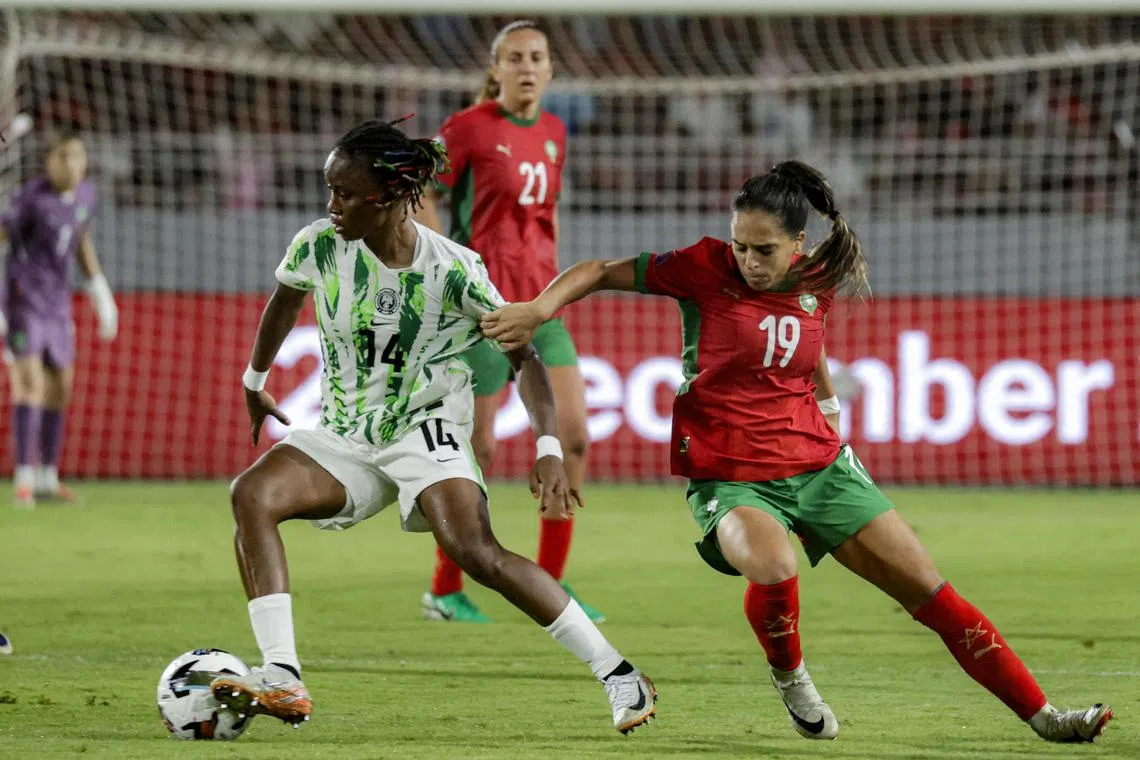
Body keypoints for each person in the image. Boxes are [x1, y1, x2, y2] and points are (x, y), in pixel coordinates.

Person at [480, 160, 1113, 744]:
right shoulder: (702, 268)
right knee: (775, 566)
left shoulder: (820, 279)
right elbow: (597, 270)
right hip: (731, 479)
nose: (749, 261)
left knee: (934, 594)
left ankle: (1047, 718)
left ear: (798, 246)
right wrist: (538, 309)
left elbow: (806, 356)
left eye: (764, 250)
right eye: (740, 245)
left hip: (821, 466)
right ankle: (791, 678)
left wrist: (833, 415)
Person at [208, 119, 656, 734]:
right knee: (251, 494)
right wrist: (255, 382)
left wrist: (548, 445)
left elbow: (522, 356)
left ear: (389, 200)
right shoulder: (318, 245)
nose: (331, 205)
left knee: (477, 553)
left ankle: (619, 672)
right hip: (346, 433)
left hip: (428, 428)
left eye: (344, 194)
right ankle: (282, 675)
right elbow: (285, 301)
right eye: (328, 189)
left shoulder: (453, 271)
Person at [413, 20, 602, 625]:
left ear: (550, 71)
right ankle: (444, 589)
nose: (526, 67)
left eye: (537, 57)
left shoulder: (554, 131)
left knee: (572, 437)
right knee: (481, 447)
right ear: (496, 69)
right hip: (485, 308)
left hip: (543, 304)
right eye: (515, 57)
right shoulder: (468, 128)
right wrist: (448, 260)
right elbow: (421, 190)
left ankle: (552, 584)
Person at [0, 133, 118, 508]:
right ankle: (24, 480)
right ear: (48, 160)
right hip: (23, 302)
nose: (73, 165)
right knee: (30, 385)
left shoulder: (85, 196)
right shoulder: (29, 199)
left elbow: (80, 239)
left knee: (61, 388)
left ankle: (48, 478)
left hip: (58, 304)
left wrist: (99, 288)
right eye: (64, 157)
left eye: (78, 157)